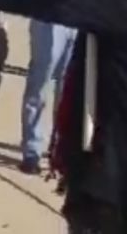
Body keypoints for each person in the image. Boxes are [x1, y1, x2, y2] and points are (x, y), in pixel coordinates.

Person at [20, 18, 77, 175]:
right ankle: (32, 151)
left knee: (68, 88)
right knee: (40, 83)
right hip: (50, 18)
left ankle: (60, 148)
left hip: (78, 18)